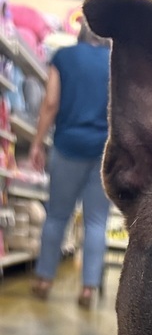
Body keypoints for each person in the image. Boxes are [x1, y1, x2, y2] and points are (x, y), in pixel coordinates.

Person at [29, 20, 110, 309]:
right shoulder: (114, 62)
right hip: (104, 150)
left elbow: (51, 102)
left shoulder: (63, 57)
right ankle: (88, 287)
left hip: (67, 146)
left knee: (56, 216)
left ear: (80, 33)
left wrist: (37, 142)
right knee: (96, 221)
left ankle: (44, 280)